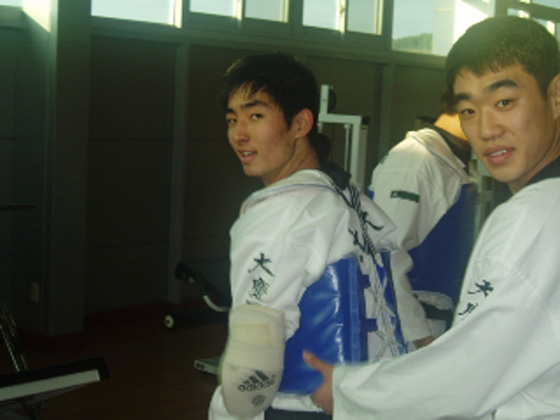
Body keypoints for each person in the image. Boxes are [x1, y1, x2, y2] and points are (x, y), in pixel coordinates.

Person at [305, 15, 560, 419]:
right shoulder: (414, 162)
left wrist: (347, 391)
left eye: (504, 103)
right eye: (469, 110)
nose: (486, 129)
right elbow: (380, 257)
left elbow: (469, 374)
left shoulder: (533, 216)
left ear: (556, 95)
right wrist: (417, 335)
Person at [208, 52, 408, 420]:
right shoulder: (359, 202)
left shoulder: (280, 211)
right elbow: (410, 318)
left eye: (256, 116)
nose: (239, 134)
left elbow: (254, 354)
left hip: (303, 408)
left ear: (300, 123)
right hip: (380, 400)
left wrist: (230, 408)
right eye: (232, 119)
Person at [369, 109, 477, 347]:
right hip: (414, 327)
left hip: (440, 322)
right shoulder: (414, 161)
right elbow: (384, 254)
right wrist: (418, 334)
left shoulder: (452, 158)